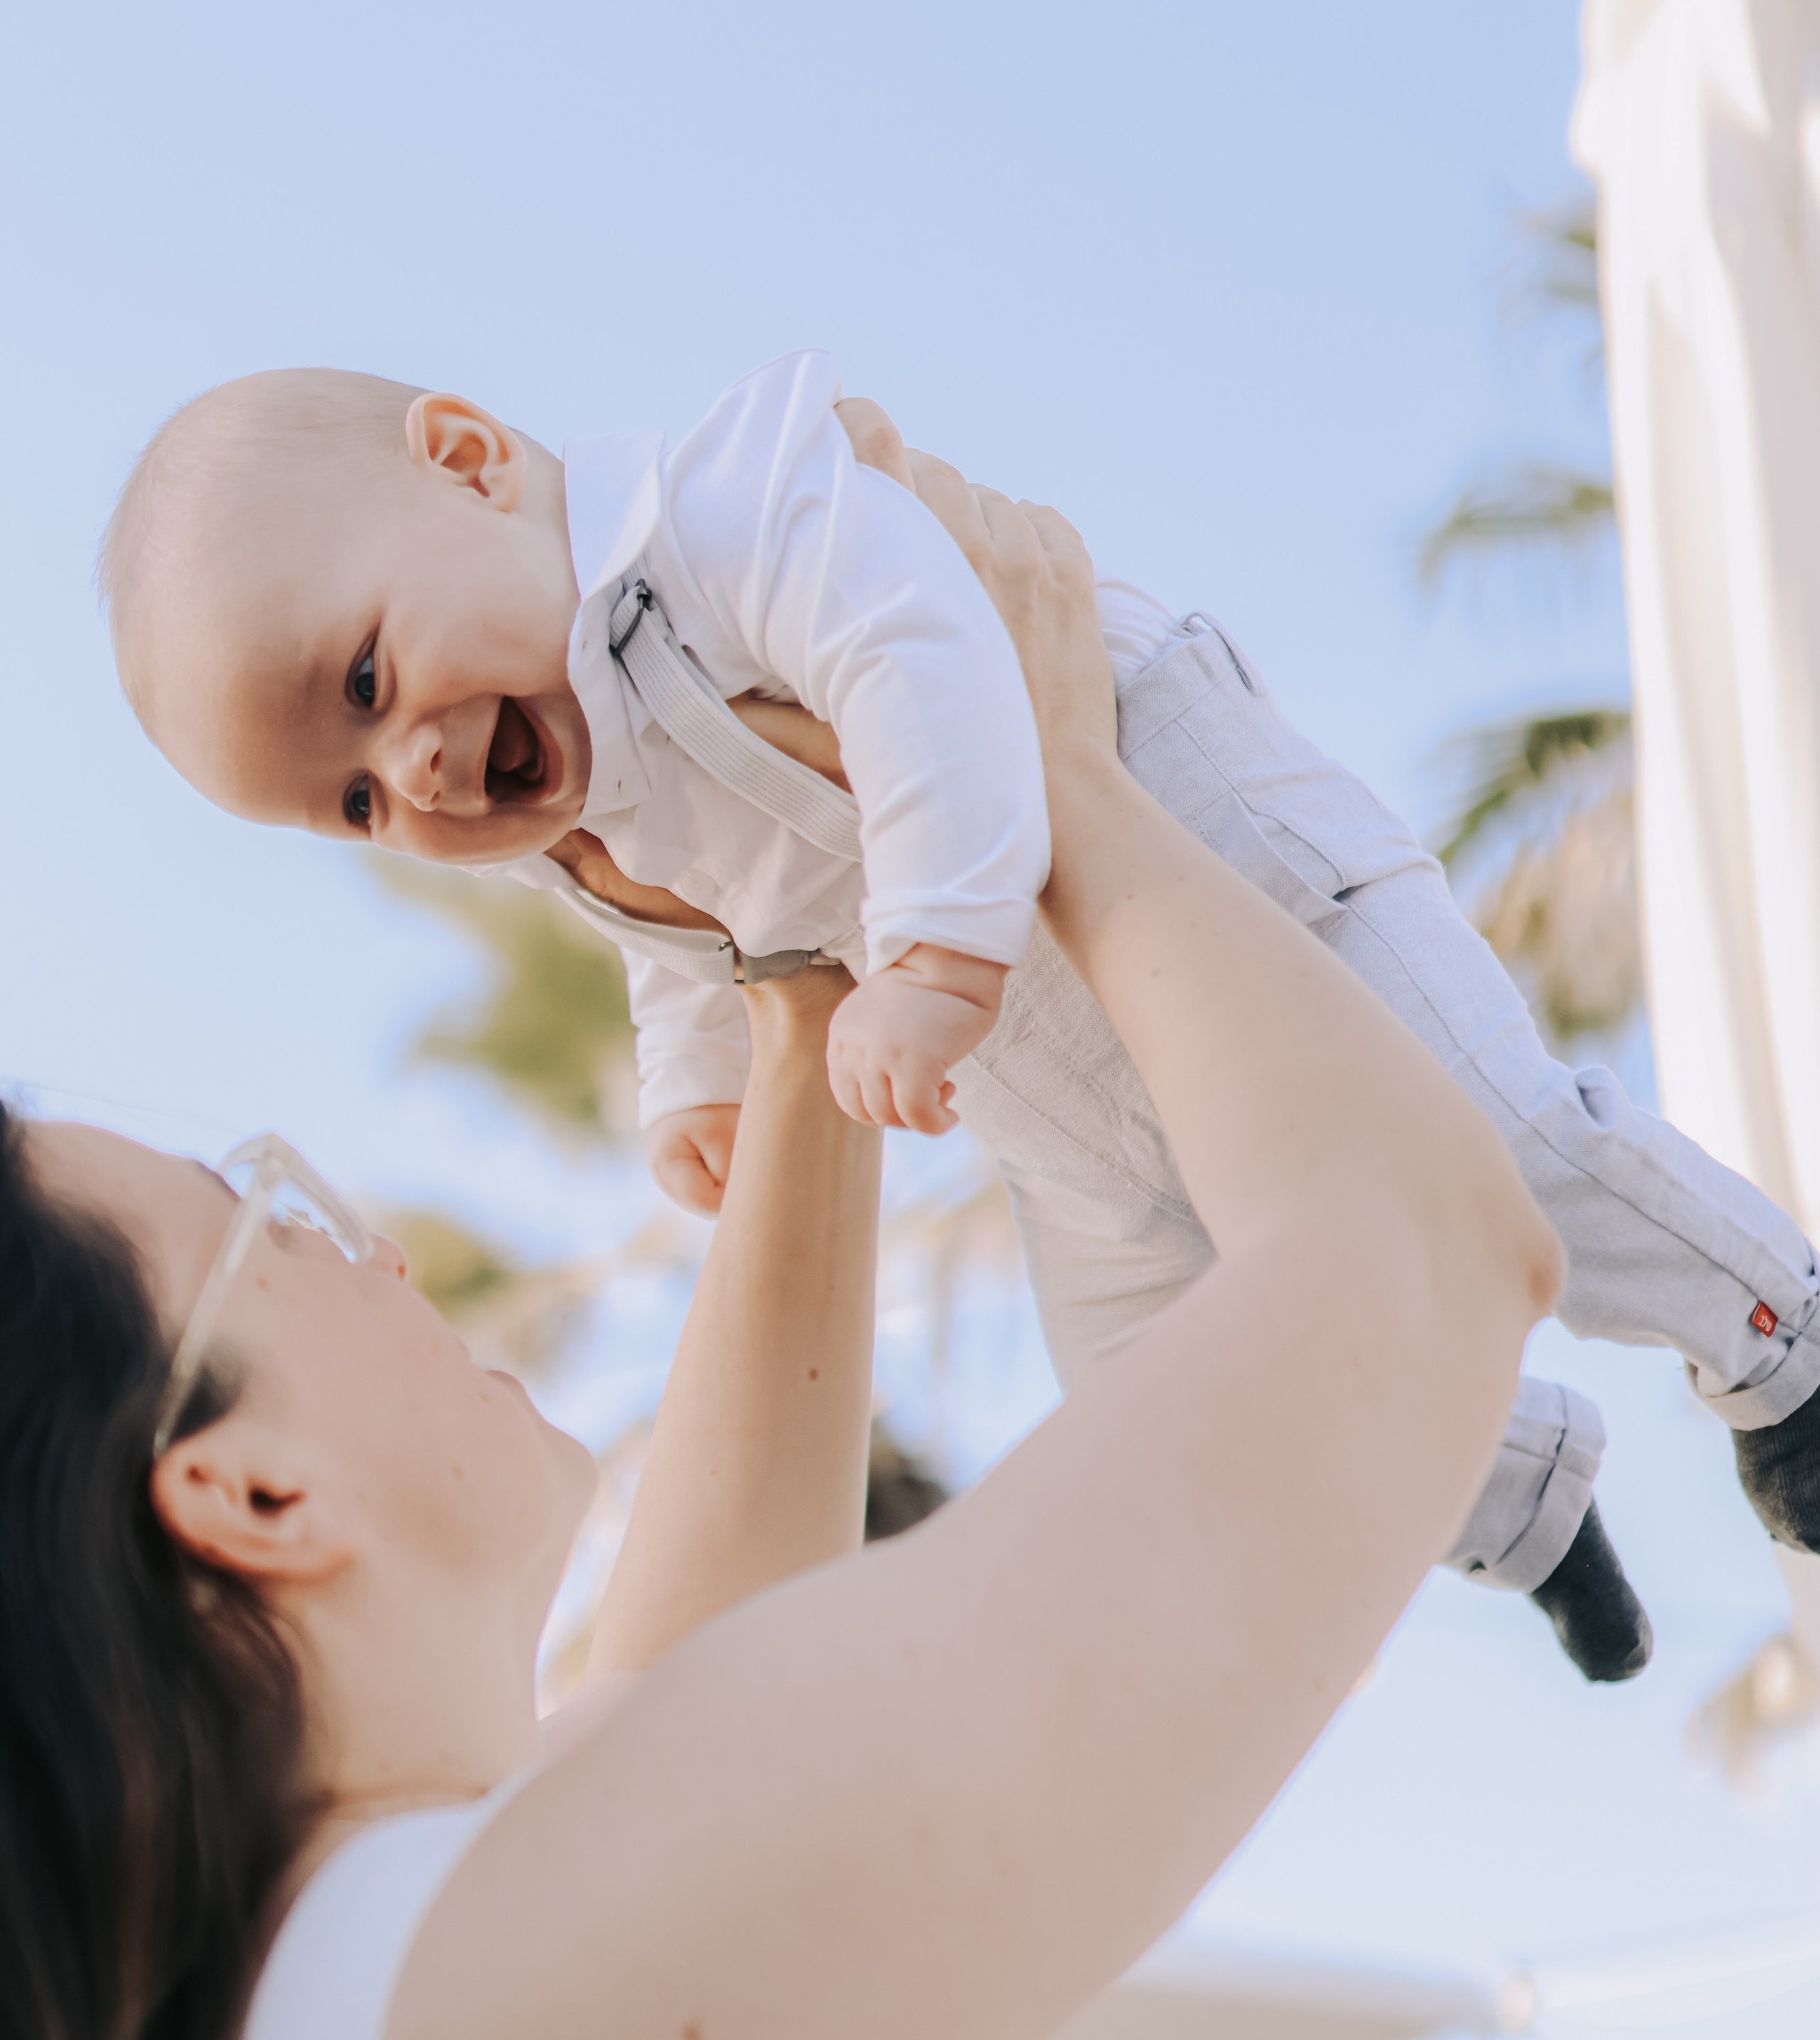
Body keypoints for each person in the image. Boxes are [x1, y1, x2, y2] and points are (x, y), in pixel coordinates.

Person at [1, 480, 1556, 2040]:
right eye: (270, 1218)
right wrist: (1049, 767)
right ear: (250, 1497)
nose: (370, 1246)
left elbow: (692, 1671)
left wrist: (800, 946)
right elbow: (1422, 1255)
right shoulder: (512, 2020)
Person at [102, 353, 1820, 1673]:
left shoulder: (724, 510)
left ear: (470, 463)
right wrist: (689, 1081)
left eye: (364, 683)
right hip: (1043, 1094)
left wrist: (925, 948)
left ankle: (1774, 1348)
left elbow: (918, 648)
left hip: (1198, 856)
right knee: (1183, 1422)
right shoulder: (578, 821)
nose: (404, 772)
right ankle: (1523, 1502)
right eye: (349, 804)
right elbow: (684, 929)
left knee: (1492, 1152)